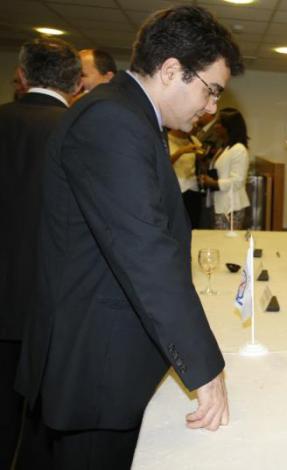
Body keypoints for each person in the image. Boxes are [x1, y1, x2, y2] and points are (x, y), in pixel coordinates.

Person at [14, 7, 242, 468]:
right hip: (95, 365)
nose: (211, 107)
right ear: (172, 70)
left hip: (110, 354)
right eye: (211, 90)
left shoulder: (129, 114)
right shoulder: (112, 120)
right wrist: (205, 368)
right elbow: (145, 253)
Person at [0, 37, 81, 470]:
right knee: (43, 432)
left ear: (22, 75)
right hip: (54, 303)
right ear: (76, 83)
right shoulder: (80, 132)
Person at [199, 107, 250, 230]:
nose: (215, 127)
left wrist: (214, 183)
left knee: (227, 240)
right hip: (221, 204)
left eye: (218, 123)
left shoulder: (239, 149)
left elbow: (237, 181)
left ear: (228, 127)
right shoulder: (225, 148)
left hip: (232, 207)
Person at [169, 129, 203, 228]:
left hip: (193, 187)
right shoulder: (166, 139)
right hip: (175, 187)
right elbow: (164, 164)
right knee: (177, 224)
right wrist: (181, 152)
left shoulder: (192, 139)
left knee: (194, 223)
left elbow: (200, 156)